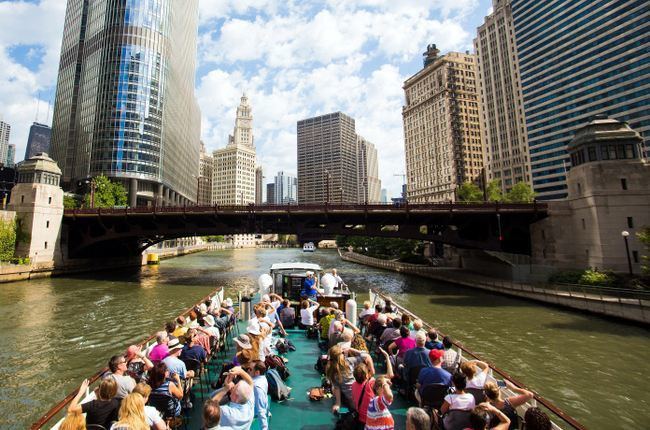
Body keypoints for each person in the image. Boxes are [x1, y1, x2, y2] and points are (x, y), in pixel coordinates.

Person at [326, 345, 375, 414]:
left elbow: (337, 388)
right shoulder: (349, 361)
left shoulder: (331, 370)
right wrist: (351, 349)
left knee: (334, 387)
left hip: (352, 402)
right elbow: (367, 356)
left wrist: (338, 404)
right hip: (363, 397)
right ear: (342, 354)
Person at [351, 347, 393, 427]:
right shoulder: (371, 383)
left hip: (360, 418)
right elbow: (390, 375)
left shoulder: (353, 385)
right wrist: (387, 357)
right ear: (366, 375)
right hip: (370, 419)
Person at [246, 360, 269, 430]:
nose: (247, 370)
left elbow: (260, 410)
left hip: (253, 412)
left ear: (257, 372)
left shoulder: (256, 387)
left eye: (250, 369)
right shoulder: (263, 377)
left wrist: (264, 428)